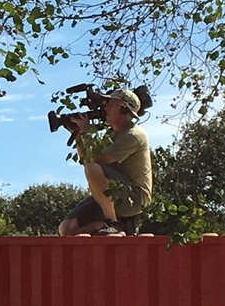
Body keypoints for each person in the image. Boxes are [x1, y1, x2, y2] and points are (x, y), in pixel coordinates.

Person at [57, 88, 153, 236]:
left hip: (134, 198)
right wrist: (77, 135)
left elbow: (98, 160)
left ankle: (113, 223)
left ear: (123, 108)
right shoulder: (111, 134)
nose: (105, 108)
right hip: (111, 194)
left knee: (93, 169)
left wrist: (87, 132)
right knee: (67, 229)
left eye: (110, 104)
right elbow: (86, 159)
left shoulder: (134, 134)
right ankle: (119, 226)